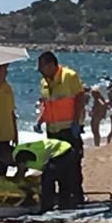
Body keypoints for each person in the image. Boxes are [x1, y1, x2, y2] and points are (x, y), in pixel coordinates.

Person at [37, 51, 86, 204]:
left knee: (72, 167)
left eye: (42, 66)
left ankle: (76, 197)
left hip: (69, 129)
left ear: (51, 65)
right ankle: (61, 198)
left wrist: (76, 121)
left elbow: (80, 98)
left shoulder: (69, 76)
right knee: (54, 167)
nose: (39, 70)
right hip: (52, 131)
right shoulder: (44, 83)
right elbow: (47, 104)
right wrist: (40, 120)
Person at [12, 138, 78, 212]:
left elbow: (20, 173)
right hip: (68, 150)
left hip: (60, 153)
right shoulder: (22, 150)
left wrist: (14, 184)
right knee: (64, 180)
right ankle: (65, 205)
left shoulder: (19, 155)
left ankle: (47, 207)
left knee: (48, 181)